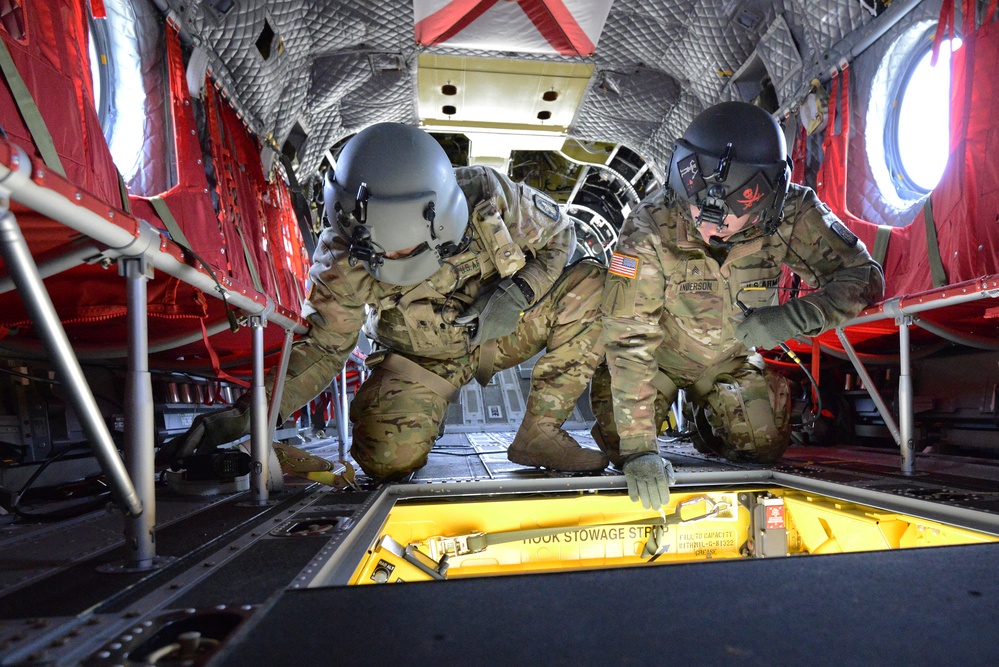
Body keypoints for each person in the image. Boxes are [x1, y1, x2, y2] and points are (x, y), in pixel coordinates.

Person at [158, 122, 608, 480]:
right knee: (386, 460)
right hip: (421, 360)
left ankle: (540, 434)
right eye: (383, 253)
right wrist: (245, 419)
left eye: (406, 251)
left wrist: (520, 291)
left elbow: (561, 237)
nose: (393, 259)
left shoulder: (491, 196)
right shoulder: (340, 258)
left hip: (505, 328)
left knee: (597, 284)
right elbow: (324, 348)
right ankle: (418, 422)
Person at [592, 101, 885, 510]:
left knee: (763, 446)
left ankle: (706, 418)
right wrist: (641, 449)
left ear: (764, 205)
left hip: (729, 359)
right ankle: (659, 425)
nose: (709, 227)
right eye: (699, 211)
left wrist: (792, 318)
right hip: (658, 362)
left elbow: (863, 276)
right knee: (617, 444)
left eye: (728, 219)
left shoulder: (790, 213)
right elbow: (628, 336)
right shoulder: (648, 228)